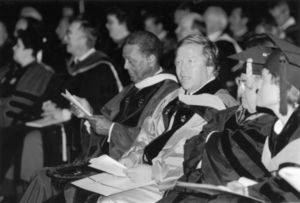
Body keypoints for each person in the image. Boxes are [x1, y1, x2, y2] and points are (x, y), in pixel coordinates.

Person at [20, 31, 178, 203]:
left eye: (130, 61)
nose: (125, 66)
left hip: (128, 170)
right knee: (43, 177)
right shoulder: (131, 89)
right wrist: (88, 115)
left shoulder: (168, 94)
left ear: (151, 59)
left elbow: (154, 140)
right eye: (124, 60)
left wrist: (111, 129)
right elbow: (105, 122)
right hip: (103, 163)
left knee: (53, 186)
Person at [92, 34, 237, 203]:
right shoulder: (175, 96)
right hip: (147, 174)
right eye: (179, 62)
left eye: (190, 61)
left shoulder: (221, 107)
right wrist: (133, 156)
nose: (182, 69)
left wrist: (154, 173)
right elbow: (148, 133)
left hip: (177, 186)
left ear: (210, 66)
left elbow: (201, 160)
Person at [158, 35, 278, 203]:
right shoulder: (229, 113)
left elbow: (232, 167)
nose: (240, 90)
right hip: (196, 188)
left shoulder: (271, 123)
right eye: (240, 81)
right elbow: (192, 152)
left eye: (247, 83)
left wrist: (212, 139)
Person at [0, 27, 54, 201]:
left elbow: (18, 109)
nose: (14, 48)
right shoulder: (9, 69)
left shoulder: (41, 73)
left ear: (29, 50)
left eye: (18, 45)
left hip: (17, 128)